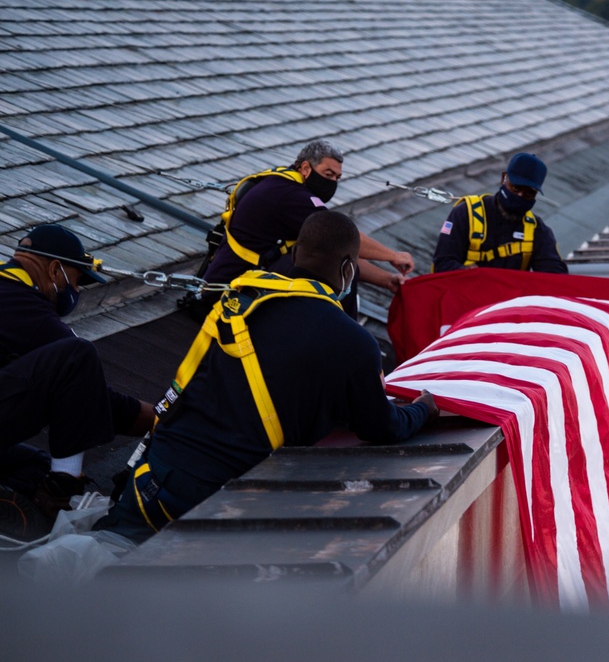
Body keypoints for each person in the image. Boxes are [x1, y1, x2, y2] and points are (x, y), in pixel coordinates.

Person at [96, 210, 439, 543]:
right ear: (349, 269)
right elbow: (381, 427)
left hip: (155, 474)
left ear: (293, 254)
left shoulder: (241, 300)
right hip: (218, 495)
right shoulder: (353, 341)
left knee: (103, 559)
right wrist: (423, 409)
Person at [0, 225, 155, 537]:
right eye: (78, 279)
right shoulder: (20, 303)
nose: (79, 291)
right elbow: (84, 387)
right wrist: (155, 419)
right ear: (55, 269)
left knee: (35, 465)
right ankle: (61, 493)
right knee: (77, 355)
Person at [198, 139, 414, 319]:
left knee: (326, 256)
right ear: (305, 168)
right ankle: (341, 333)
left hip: (233, 283)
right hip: (229, 298)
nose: (332, 182)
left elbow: (339, 254)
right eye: (328, 174)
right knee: (325, 263)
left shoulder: (282, 182)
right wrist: (392, 255)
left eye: (337, 178)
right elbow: (340, 237)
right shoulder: (293, 197)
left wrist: (386, 279)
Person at [432, 153, 568, 274]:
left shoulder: (535, 230)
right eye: (516, 188)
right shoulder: (466, 214)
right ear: (504, 178)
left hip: (507, 301)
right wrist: (470, 274)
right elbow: (442, 263)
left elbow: (555, 276)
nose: (520, 196)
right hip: (465, 296)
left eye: (528, 193)